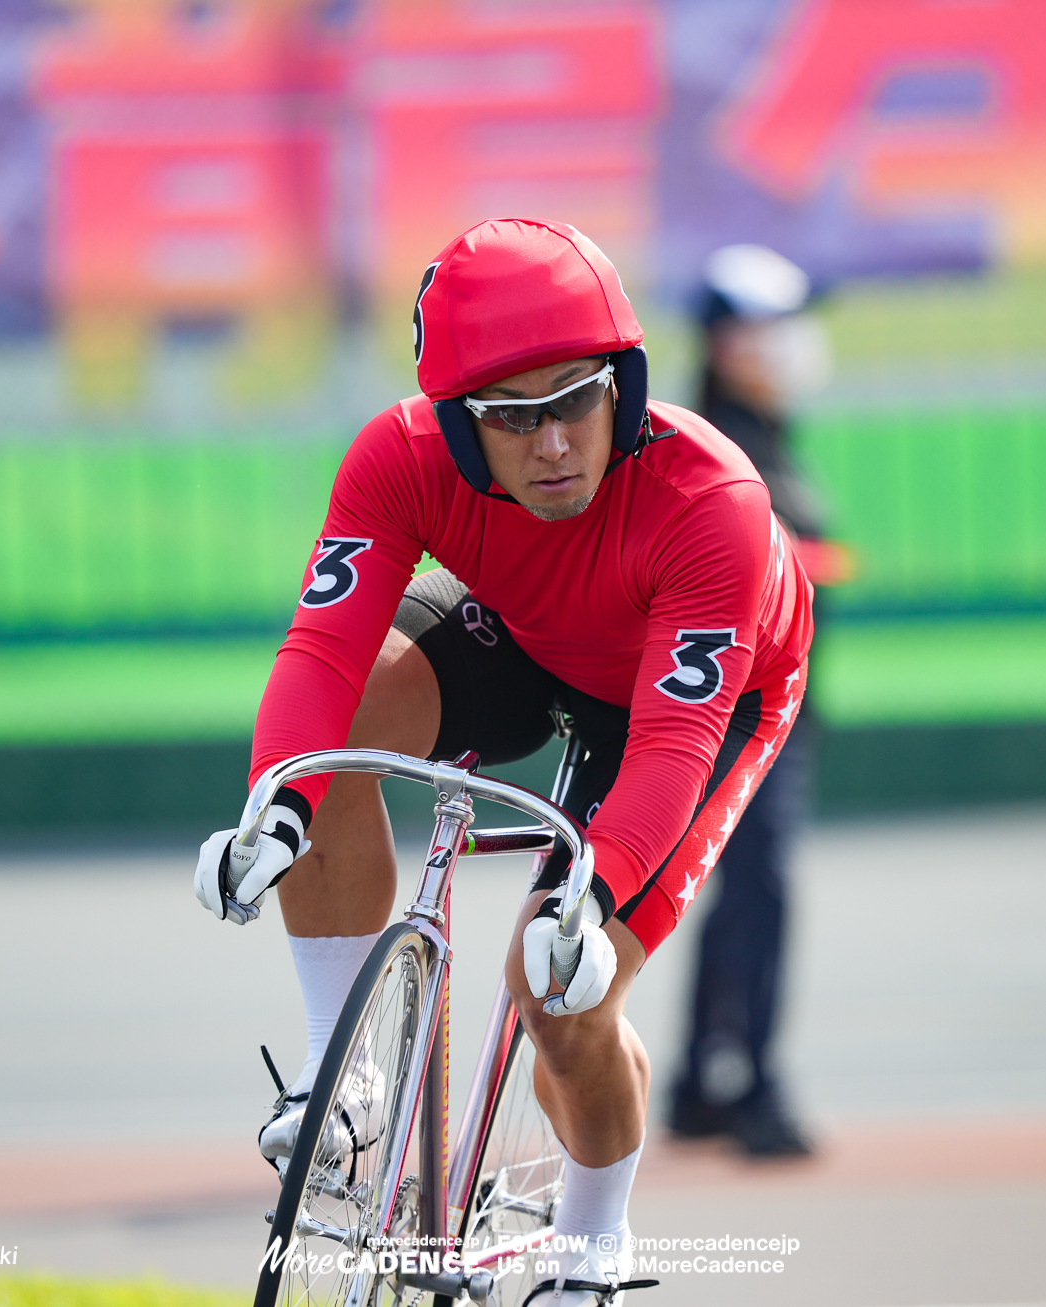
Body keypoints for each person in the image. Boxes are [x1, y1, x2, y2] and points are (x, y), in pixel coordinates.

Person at [192, 218, 813, 1306]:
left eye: (577, 399)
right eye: (513, 420)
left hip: (693, 700)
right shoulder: (398, 458)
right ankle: (349, 1083)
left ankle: (589, 1249)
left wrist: (596, 894)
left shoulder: (711, 502)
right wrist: (273, 809)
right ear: (457, 429)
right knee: (350, 716)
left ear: (623, 382)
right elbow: (321, 649)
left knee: (558, 994)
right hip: (531, 634)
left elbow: (670, 744)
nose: (557, 445)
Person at [667, 244, 850, 1159]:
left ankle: (703, 1077)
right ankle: (754, 1086)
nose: (793, 345)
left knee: (741, 892)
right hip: (732, 711)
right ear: (728, 339)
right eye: (775, 326)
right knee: (761, 888)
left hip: (764, 709)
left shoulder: (766, 436)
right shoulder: (717, 446)